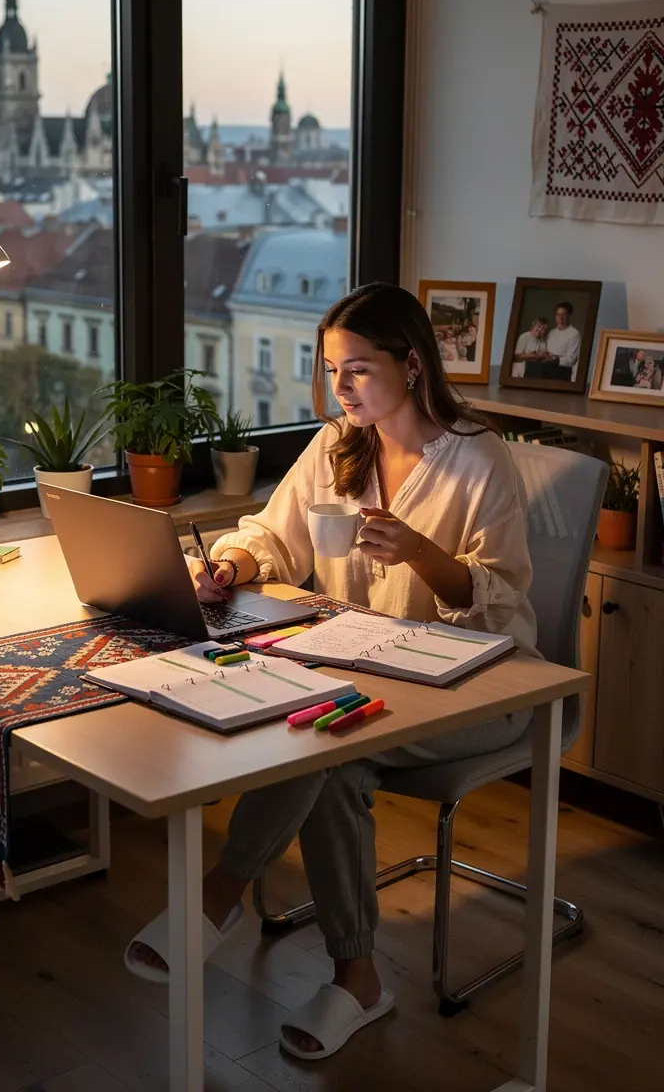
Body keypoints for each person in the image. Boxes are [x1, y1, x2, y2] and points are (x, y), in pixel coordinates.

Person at [125, 283, 538, 1060]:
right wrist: (232, 563)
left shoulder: (479, 461)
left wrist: (417, 549)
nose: (338, 388)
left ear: (411, 365)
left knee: (324, 742)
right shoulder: (336, 445)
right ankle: (358, 979)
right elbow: (271, 537)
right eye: (330, 370)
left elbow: (503, 604)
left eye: (356, 370)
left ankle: (218, 898)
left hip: (486, 686)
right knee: (330, 752)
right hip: (363, 679)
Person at [540, 302, 581, 382]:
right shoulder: (551, 332)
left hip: (562, 373)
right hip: (545, 370)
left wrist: (554, 360)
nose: (560, 317)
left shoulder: (574, 334)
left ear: (569, 316)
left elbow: (572, 359)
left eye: (563, 315)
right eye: (558, 315)